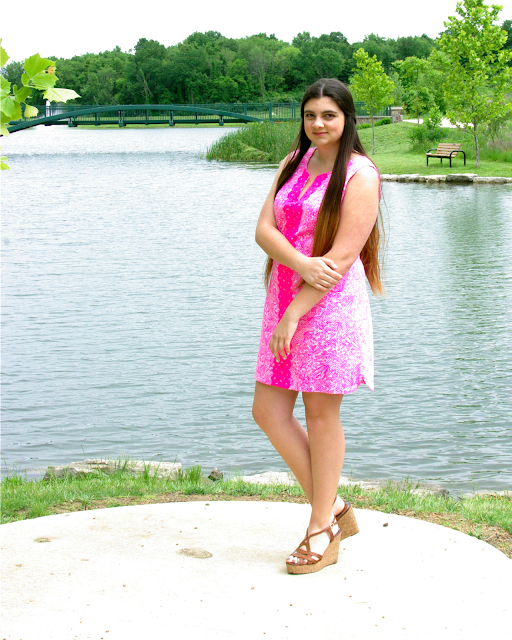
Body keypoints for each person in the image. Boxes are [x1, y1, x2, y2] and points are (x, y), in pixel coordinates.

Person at [252, 78, 383, 575]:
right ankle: (335, 508)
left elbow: (342, 259)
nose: (318, 124)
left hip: (328, 309)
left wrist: (296, 309)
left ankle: (320, 529)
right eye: (310, 115)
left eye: (329, 115)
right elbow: (263, 229)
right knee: (268, 410)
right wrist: (300, 266)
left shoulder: (360, 175)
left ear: (347, 118)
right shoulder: (294, 161)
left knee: (321, 415)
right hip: (285, 296)